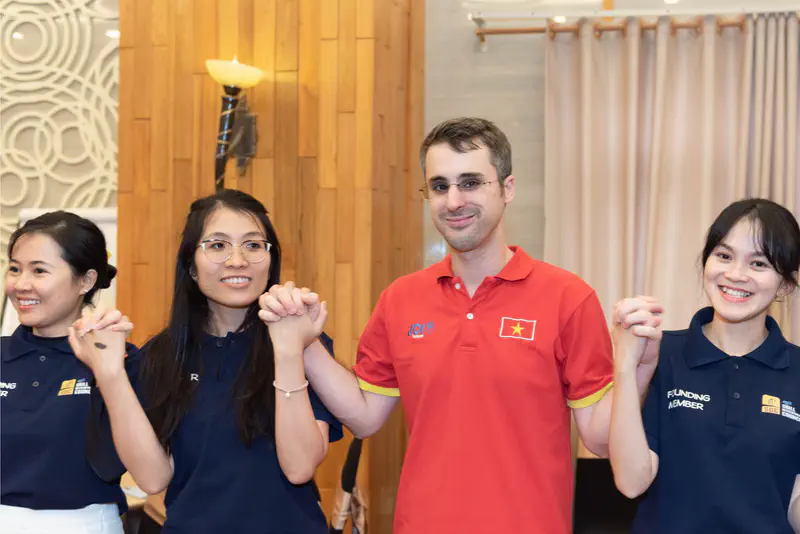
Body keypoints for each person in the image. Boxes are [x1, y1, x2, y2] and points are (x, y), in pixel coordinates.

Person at [258, 117, 654, 533]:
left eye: (470, 183)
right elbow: (365, 416)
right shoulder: (400, 300)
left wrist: (635, 369)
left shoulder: (568, 298)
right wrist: (305, 340)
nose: (453, 201)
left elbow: (598, 436)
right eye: (440, 186)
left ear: (507, 188)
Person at [68, 189, 343, 533]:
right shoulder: (162, 355)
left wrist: (288, 349)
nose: (237, 260)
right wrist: (110, 375)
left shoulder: (307, 344)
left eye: (254, 245)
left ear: (271, 261)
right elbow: (153, 478)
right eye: (217, 245)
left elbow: (300, 466)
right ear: (192, 268)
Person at [609, 198, 800, 533]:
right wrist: (626, 365)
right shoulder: (661, 352)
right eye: (724, 256)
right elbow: (631, 482)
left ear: (786, 282)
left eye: (758, 264)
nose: (735, 275)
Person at [1, 211, 135, 534]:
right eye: (15, 269)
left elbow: (120, 462)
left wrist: (108, 371)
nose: (22, 284)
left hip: (83, 523)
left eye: (39, 271)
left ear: (86, 281)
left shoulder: (121, 358)